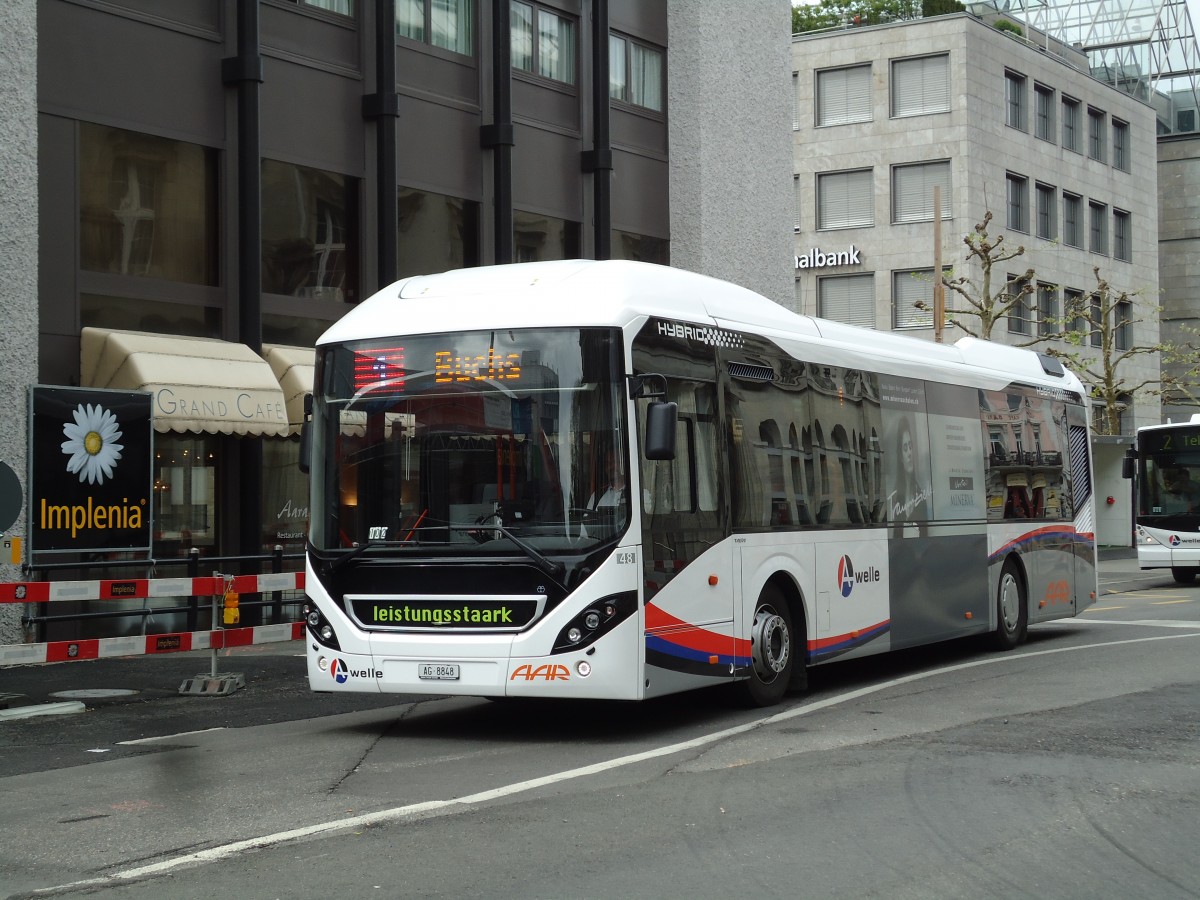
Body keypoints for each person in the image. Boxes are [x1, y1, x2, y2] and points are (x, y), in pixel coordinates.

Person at [890, 416, 929, 522]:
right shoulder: (896, 497)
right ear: (901, 457)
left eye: (911, 447)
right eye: (905, 448)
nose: (910, 453)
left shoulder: (921, 496)